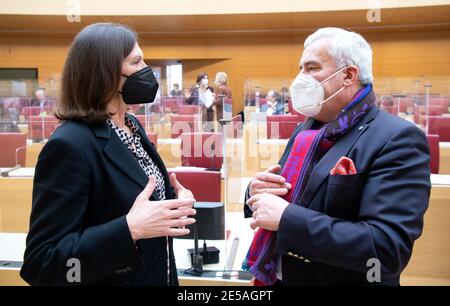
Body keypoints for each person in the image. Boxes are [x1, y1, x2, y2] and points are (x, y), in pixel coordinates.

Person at [242, 27, 430, 286]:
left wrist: (287, 219)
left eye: (312, 68)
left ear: (349, 75)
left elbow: (386, 250)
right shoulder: (307, 129)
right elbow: (294, 193)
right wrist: (257, 190)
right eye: (300, 69)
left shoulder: (398, 138)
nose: (300, 78)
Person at [20, 23, 197, 286]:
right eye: (136, 62)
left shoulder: (131, 125)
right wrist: (129, 230)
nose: (146, 70)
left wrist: (173, 203)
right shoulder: (69, 145)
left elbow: (128, 199)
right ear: (104, 72)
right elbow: (43, 266)